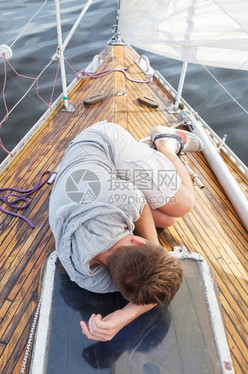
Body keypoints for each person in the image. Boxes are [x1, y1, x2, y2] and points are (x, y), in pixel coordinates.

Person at [48, 121, 203, 342]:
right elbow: (150, 294)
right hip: (95, 171)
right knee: (173, 215)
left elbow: (141, 206)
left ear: (138, 243)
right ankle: (166, 145)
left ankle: (163, 146)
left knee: (177, 208)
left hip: (101, 145)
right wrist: (122, 315)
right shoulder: (86, 277)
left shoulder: (124, 202)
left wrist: (155, 254)